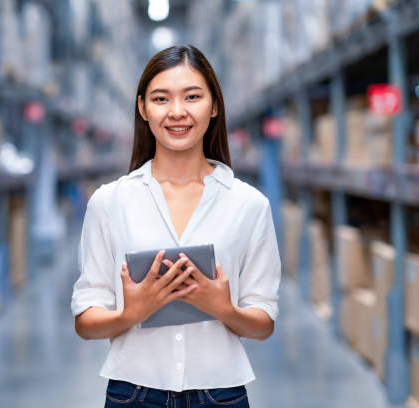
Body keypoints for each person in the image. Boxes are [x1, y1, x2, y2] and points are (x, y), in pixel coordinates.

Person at [71, 45, 281, 408]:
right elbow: (86, 320)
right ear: (143, 108)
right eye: (161, 99)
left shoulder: (249, 205)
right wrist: (130, 314)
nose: (177, 112)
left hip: (222, 395)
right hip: (132, 395)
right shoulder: (109, 202)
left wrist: (223, 308)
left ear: (214, 106)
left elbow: (263, 323)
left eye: (193, 96)